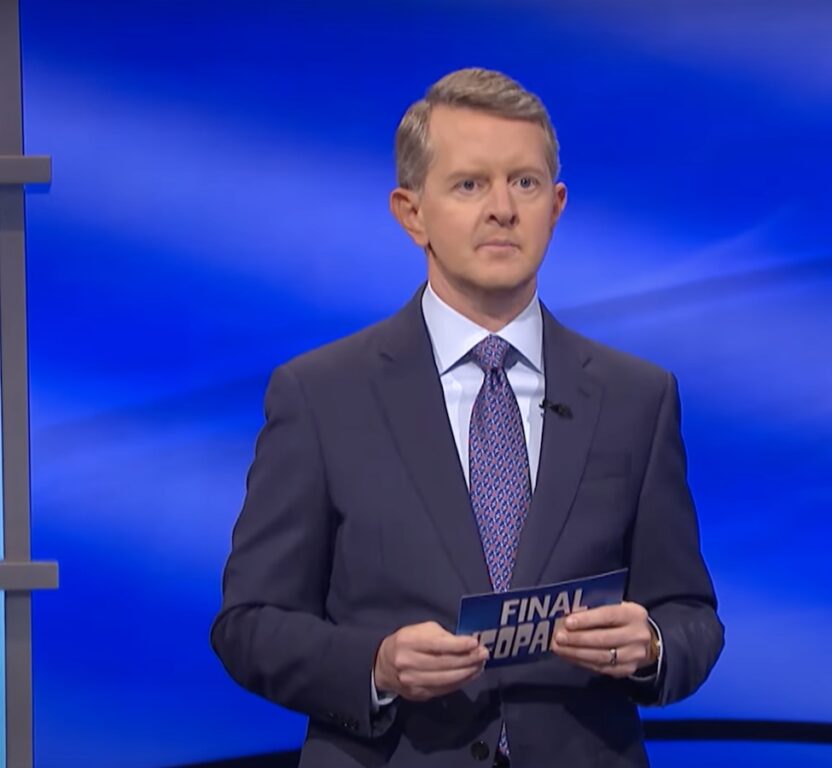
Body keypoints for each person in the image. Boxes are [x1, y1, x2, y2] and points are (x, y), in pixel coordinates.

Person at [211, 67, 723, 768]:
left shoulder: (638, 397)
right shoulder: (320, 395)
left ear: (557, 205)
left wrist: (653, 647)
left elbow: (691, 614)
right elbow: (250, 625)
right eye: (469, 184)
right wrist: (378, 664)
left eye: (525, 183)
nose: (502, 209)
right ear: (410, 211)